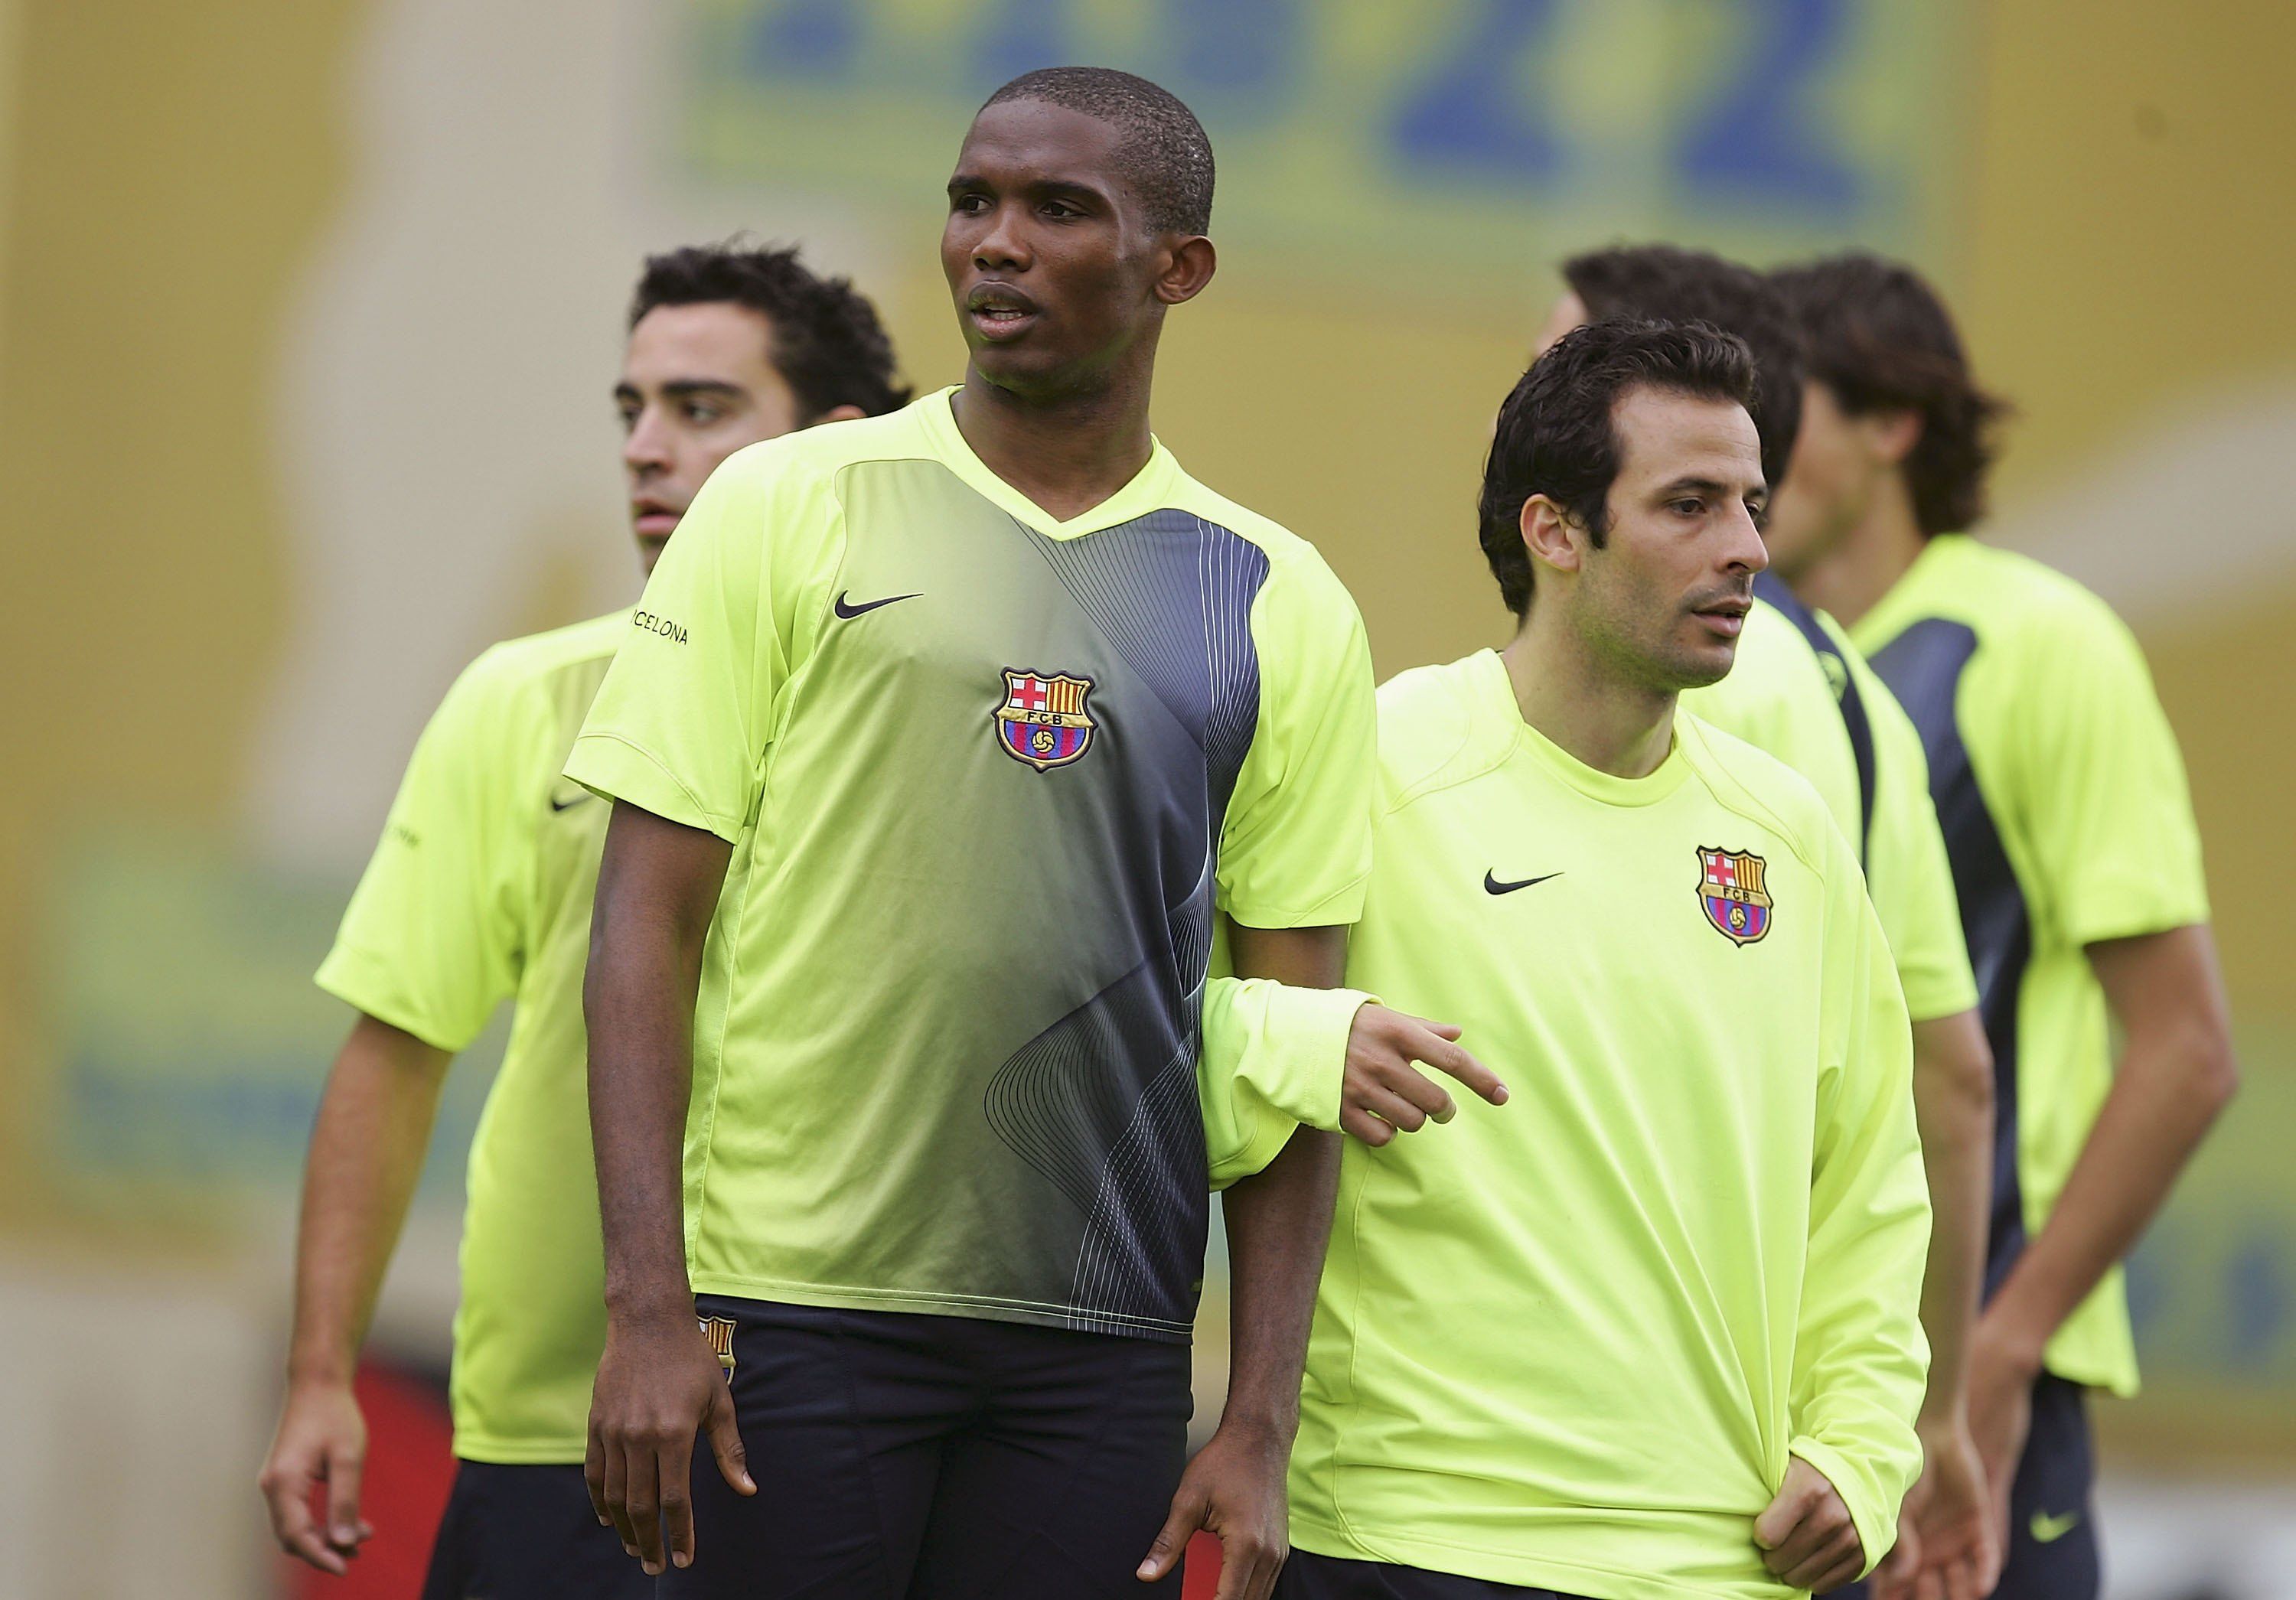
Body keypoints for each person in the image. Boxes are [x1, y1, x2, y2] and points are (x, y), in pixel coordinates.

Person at [566, 67, 1495, 1600]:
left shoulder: (1275, 596)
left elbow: (1292, 1044)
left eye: (1060, 209)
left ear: (1175, 269)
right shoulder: (789, 503)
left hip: (1104, 1350)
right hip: (795, 1309)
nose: (996, 241)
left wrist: (1257, 1415)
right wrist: (648, 1304)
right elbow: (643, 921)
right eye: (972, 201)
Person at [256, 243, 911, 1598]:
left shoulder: (937, 725)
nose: (645, 450)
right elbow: (394, 1051)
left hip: (841, 1433)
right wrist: (323, 1374)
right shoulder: (521, 698)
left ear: (831, 451)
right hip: (556, 1431)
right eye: (631, 411)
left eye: (703, 409)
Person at [1280, 319, 1932, 1600]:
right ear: (1556, 532)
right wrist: (1301, 1041)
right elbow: (1169, 1025)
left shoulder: (1786, 830)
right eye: (1688, 505)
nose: (1747, 546)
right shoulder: (1373, 762)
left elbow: (1866, 1186)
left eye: (1750, 504)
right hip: (1416, 1541)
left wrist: (1860, 1452)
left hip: (1723, 1561)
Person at [1766, 254, 2238, 1600]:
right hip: (1791, 1381)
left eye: (1779, 405)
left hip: (1977, 1376)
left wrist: (2002, 1347)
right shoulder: (1748, 662)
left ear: (1889, 426)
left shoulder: (2040, 645)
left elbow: (2188, 1051)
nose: (1745, 449)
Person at [1535, 244, 2001, 1598]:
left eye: (1562, 367)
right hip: (1796, 1447)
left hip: (1647, 1452)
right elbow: (1951, 1082)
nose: (1527, 405)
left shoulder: (1669, 684)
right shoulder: (1854, 691)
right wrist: (1926, 1414)